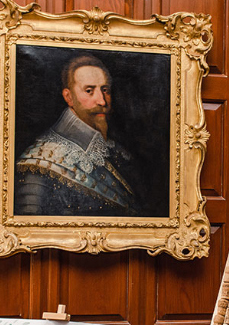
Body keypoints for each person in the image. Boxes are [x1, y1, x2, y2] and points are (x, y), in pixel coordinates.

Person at [14, 54, 142, 217]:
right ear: (69, 97)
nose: (102, 101)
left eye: (105, 90)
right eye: (89, 91)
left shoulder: (117, 152)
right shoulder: (37, 165)